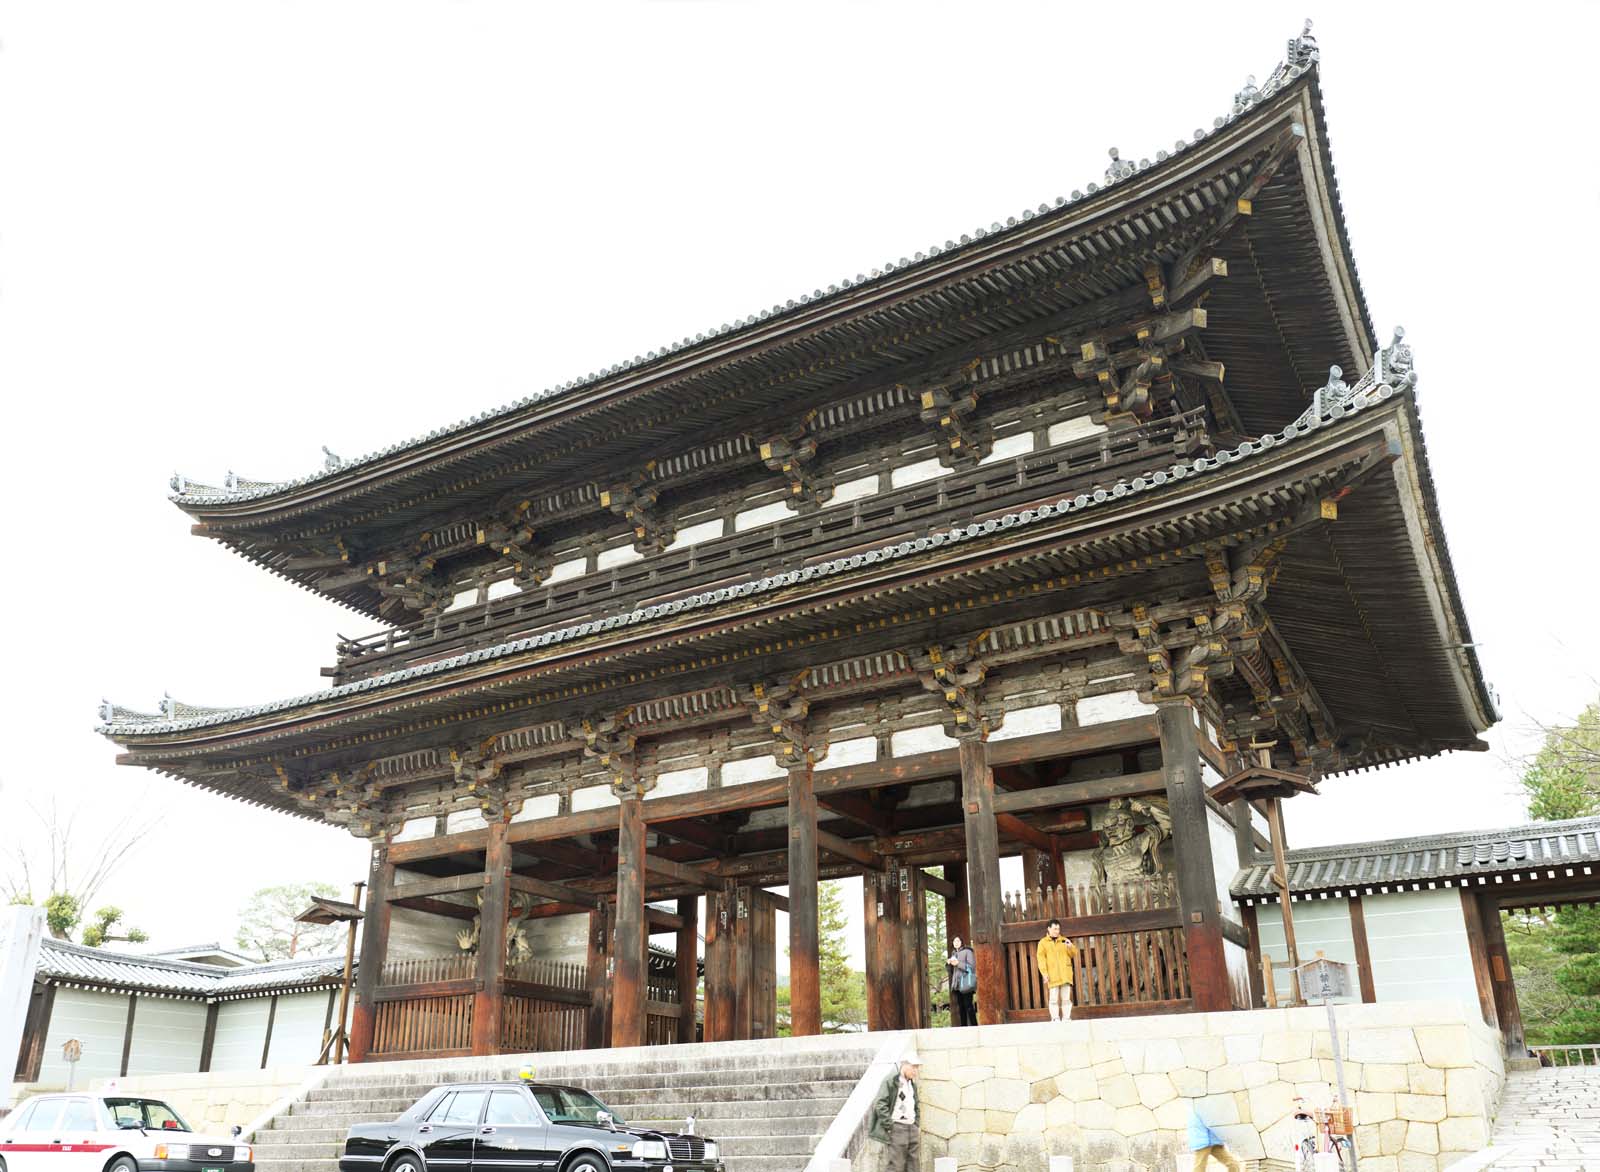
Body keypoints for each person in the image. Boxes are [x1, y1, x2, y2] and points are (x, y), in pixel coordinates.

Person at [868, 1049, 921, 1172]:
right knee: (896, 1165)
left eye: (917, 1067)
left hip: (911, 1127)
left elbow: (916, 1104)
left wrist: (916, 1123)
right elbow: (880, 1103)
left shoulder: (912, 1084)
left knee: (914, 1166)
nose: (915, 1070)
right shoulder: (891, 1080)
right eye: (913, 1067)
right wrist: (890, 1125)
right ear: (905, 1065)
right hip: (897, 1127)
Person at [1035, 917, 1079, 1021]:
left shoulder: (1064, 940)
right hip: (1052, 975)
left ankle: (1066, 1017)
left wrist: (1070, 946)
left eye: (1058, 929)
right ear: (1049, 929)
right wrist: (1044, 973)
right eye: (1055, 929)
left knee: (1066, 998)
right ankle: (1055, 1018)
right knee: (1053, 999)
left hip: (1065, 974)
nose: (1057, 931)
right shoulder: (1043, 943)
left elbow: (1073, 954)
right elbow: (1041, 959)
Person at [1188, 1100, 1242, 1172]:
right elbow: (1212, 1123)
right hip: (1202, 1142)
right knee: (1199, 1168)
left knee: (1233, 1164)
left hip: (1214, 1141)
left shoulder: (1204, 1107)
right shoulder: (1199, 1108)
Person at [946, 935, 977, 1027]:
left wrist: (958, 963)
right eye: (954, 941)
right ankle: (963, 1027)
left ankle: (975, 1026)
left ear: (962, 942)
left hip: (966, 983)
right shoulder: (953, 954)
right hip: (957, 984)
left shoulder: (968, 951)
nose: (956, 943)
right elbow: (952, 972)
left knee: (969, 1006)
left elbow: (971, 967)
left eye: (958, 941)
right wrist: (948, 964)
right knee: (961, 1007)